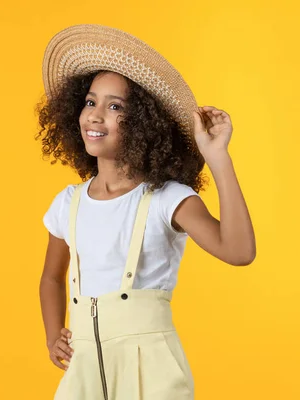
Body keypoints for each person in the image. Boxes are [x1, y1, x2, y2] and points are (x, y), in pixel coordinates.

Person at [36, 24, 256, 400]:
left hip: (150, 370)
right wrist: (53, 333)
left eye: (115, 106)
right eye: (90, 102)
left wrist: (217, 156)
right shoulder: (68, 203)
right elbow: (52, 279)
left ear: (143, 124)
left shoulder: (167, 199)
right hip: (84, 366)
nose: (95, 114)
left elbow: (238, 251)